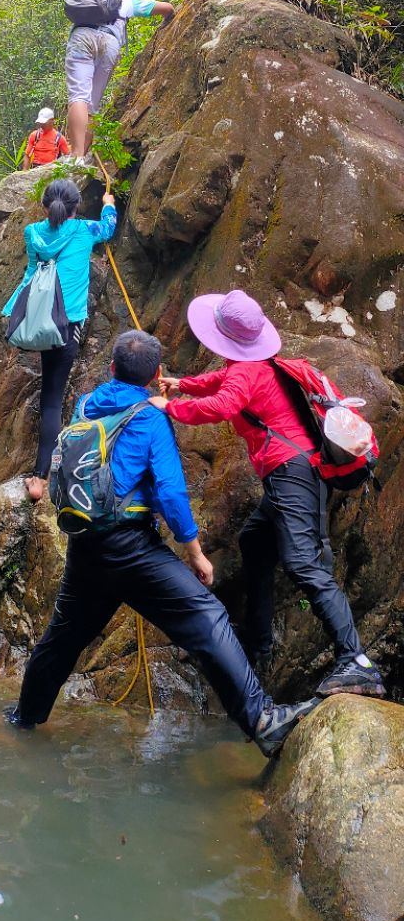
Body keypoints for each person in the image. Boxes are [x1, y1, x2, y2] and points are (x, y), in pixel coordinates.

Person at [5, 330, 317, 757]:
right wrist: (195, 553)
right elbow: (170, 492)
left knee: (62, 639)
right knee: (208, 617)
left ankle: (24, 719)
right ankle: (262, 719)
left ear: (111, 367)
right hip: (130, 548)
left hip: (86, 545)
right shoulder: (150, 418)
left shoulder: (87, 404)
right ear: (154, 375)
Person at [150, 290, 386, 700]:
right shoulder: (254, 364)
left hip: (291, 470)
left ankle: (356, 660)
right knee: (255, 541)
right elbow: (219, 383)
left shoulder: (246, 372)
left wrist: (170, 407)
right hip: (290, 471)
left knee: (302, 564)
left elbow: (223, 404)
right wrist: (181, 384)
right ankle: (258, 641)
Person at [2, 178, 116, 502]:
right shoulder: (83, 230)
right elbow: (108, 228)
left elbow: (30, 274)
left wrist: (14, 310)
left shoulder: (32, 233)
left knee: (48, 392)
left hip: (41, 320)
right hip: (67, 326)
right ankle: (40, 478)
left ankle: (39, 472)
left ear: (45, 206)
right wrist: (108, 204)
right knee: (53, 398)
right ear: (75, 206)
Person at [65, 0, 174, 158]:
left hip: (82, 38)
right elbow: (167, 8)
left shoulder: (89, 2)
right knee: (92, 104)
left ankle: (76, 155)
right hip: (110, 43)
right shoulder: (127, 1)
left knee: (79, 96)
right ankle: (83, 156)